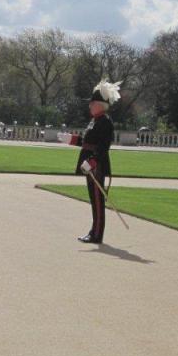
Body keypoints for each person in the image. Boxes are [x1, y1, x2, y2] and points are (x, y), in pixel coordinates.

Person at [58, 81, 121, 244]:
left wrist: (92, 161)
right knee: (94, 200)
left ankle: (97, 234)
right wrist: (71, 139)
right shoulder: (96, 120)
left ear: (100, 105)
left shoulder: (105, 122)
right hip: (90, 163)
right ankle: (94, 231)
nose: (90, 106)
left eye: (92, 104)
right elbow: (86, 142)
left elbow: (103, 147)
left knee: (98, 201)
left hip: (96, 165)